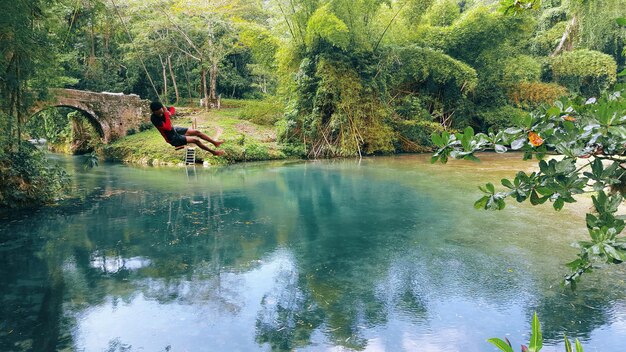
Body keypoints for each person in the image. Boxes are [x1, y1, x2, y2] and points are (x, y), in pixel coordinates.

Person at [149, 101, 224, 156]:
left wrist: (170, 113)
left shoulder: (163, 109)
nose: (160, 114)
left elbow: (172, 108)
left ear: (162, 108)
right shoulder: (154, 119)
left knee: (197, 132)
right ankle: (214, 152)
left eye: (161, 112)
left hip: (174, 129)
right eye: (159, 113)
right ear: (154, 112)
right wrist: (166, 114)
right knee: (196, 140)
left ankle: (215, 143)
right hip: (171, 137)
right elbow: (168, 128)